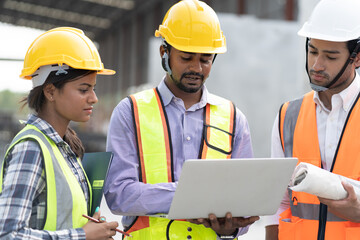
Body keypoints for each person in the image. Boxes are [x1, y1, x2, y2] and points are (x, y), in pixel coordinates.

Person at [104, 0, 259, 239]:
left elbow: (244, 197)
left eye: (205, 59)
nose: (196, 68)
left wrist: (234, 225)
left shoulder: (233, 118)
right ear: (164, 53)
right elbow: (119, 194)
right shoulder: (130, 112)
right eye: (186, 58)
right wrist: (190, 196)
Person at [0, 27, 119, 239]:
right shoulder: (31, 148)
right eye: (84, 89)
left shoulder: (63, 148)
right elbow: (8, 234)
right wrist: (82, 235)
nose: (93, 98)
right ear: (50, 91)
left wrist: (95, 230)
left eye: (93, 88)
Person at [265, 0, 360, 239]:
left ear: (356, 58)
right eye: (313, 51)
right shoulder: (289, 115)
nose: (317, 65)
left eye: (330, 56)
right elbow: (278, 203)